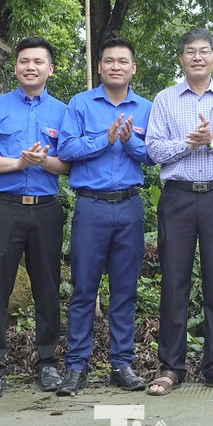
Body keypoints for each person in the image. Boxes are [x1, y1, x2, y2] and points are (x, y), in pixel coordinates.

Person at [145, 29, 213, 397]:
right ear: (181, 59)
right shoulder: (165, 99)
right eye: (190, 51)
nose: (197, 57)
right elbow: (154, 150)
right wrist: (188, 144)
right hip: (178, 198)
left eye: (204, 51)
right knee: (174, 281)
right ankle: (171, 367)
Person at [0, 36, 70, 399]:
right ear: (15, 67)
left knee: (47, 288)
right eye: (25, 61)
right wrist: (18, 163)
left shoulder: (63, 111)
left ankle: (47, 364)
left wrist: (43, 161)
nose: (31, 67)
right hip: (5, 208)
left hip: (46, 209)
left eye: (38, 62)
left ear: (50, 69)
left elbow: (69, 164)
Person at [55, 37, 153, 396]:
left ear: (133, 68)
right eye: (109, 60)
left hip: (129, 206)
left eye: (123, 61)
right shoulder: (80, 103)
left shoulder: (146, 107)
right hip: (91, 206)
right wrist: (104, 138)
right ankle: (76, 366)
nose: (116, 66)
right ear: (99, 67)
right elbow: (65, 148)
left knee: (125, 290)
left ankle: (122, 364)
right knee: (84, 289)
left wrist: (128, 141)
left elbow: (153, 154)